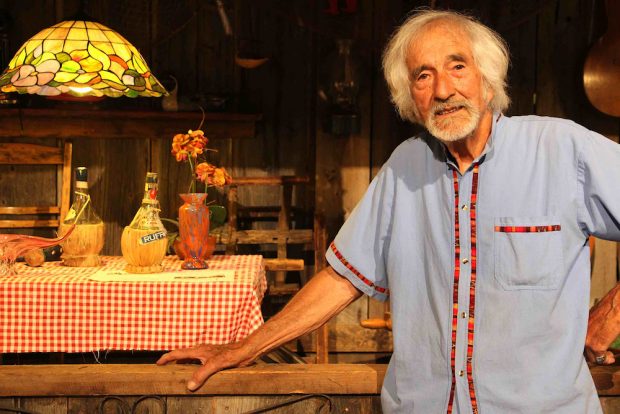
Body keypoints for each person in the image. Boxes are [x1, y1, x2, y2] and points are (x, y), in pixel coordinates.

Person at [157, 9, 620, 413]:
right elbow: (343, 278)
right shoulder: (404, 168)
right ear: (410, 98)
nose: (442, 89)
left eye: (457, 66)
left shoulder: (558, 149)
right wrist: (245, 347)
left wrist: (609, 316)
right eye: (422, 75)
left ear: (486, 76)